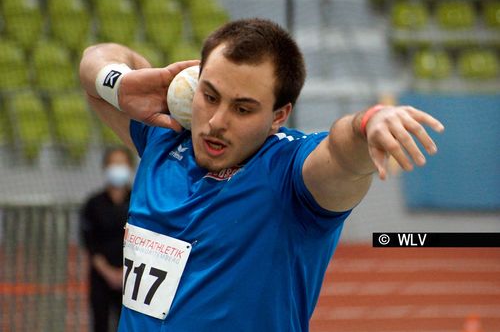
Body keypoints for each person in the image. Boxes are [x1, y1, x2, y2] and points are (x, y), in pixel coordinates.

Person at [79, 18, 444, 332]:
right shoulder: (164, 135)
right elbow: (92, 62)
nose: (217, 121)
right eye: (209, 96)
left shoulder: (288, 174)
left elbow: (341, 152)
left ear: (278, 116)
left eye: (242, 108)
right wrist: (120, 83)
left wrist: (369, 122)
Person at [80, 146, 135, 332]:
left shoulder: (138, 201)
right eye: (113, 163)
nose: (118, 168)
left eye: (122, 163)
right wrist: (108, 273)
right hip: (101, 277)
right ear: (105, 167)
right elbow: (90, 243)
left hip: (132, 277)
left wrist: (124, 273)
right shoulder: (93, 204)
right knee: (100, 324)